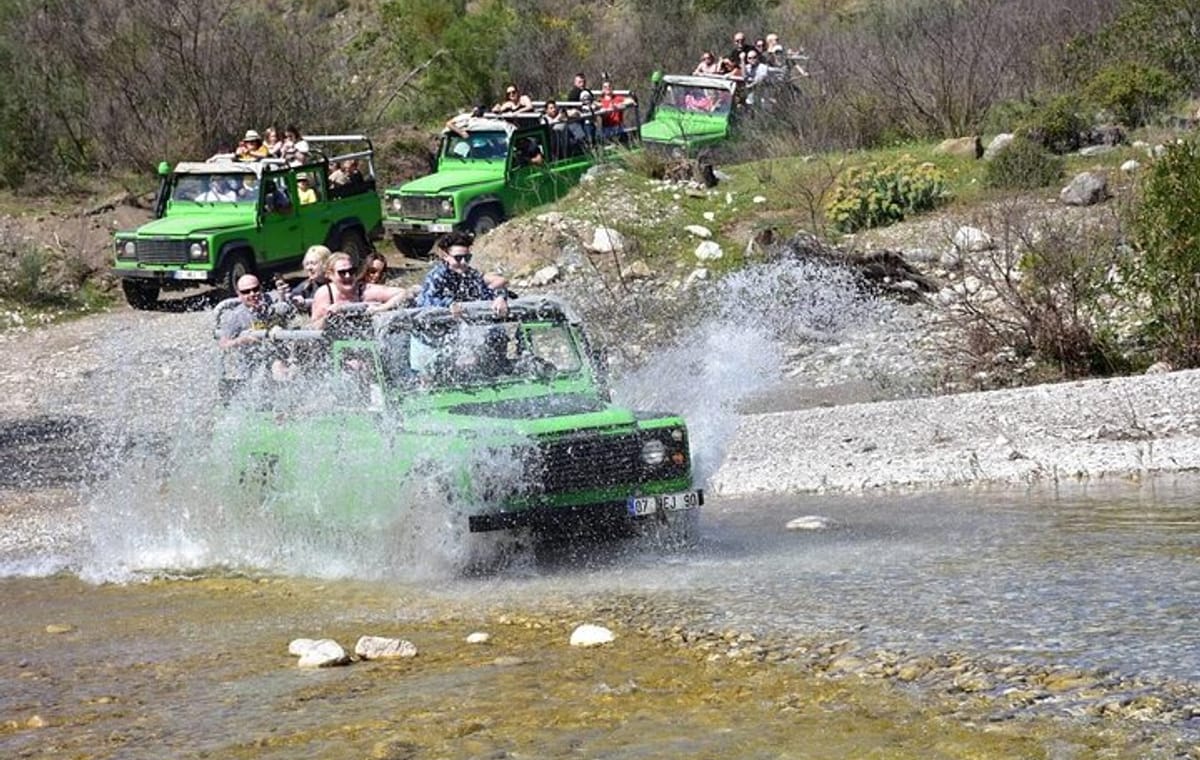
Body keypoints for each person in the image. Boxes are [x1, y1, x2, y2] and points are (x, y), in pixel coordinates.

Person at [217, 274, 294, 391]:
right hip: (251, 363)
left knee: (283, 370)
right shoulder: (236, 316)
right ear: (239, 294)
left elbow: (288, 306)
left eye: (256, 289)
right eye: (246, 292)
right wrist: (243, 340)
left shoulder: (269, 301)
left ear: (261, 288)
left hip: (276, 356)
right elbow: (223, 344)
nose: (252, 294)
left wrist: (285, 294)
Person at [310, 252, 415, 329]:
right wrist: (328, 317)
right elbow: (314, 329)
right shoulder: (324, 294)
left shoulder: (364, 290)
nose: (348, 276)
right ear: (330, 274)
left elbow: (403, 293)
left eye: (351, 271)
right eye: (342, 272)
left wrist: (380, 309)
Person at [416, 231, 509, 316]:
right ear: (445, 256)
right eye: (458, 258)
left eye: (467, 257)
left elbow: (485, 293)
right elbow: (427, 300)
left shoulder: (470, 274)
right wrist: (449, 303)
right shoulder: (436, 276)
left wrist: (500, 297)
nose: (464, 262)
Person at [283, 244, 331, 313]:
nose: (309, 268)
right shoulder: (306, 287)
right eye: (307, 264)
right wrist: (284, 296)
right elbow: (293, 299)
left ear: (325, 264)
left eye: (313, 263)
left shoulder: (337, 283)